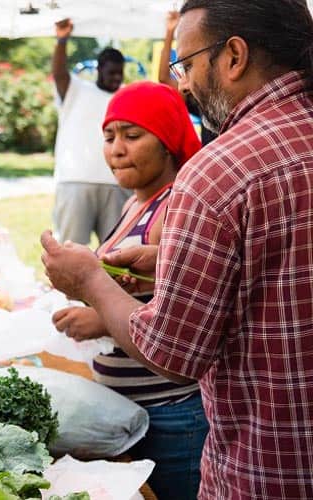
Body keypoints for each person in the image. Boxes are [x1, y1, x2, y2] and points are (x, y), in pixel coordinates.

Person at [41, 1, 313, 498]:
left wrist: (90, 283)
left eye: (186, 65)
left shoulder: (220, 171)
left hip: (266, 471)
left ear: (233, 56)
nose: (183, 84)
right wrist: (162, 264)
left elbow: (174, 352)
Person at [52, 81, 205, 500]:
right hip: (137, 413)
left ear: (169, 139)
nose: (117, 148)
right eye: (109, 136)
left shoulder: (173, 206)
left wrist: (100, 318)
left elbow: (184, 311)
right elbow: (137, 292)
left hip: (172, 416)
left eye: (132, 135)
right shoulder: (132, 203)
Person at [50, 18, 130, 246]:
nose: (117, 78)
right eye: (112, 72)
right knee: (70, 251)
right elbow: (58, 73)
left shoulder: (126, 95)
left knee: (116, 254)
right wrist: (62, 40)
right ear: (99, 69)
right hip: (75, 182)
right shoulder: (76, 89)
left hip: (117, 184)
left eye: (120, 73)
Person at [157, 10, 218, 145]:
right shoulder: (203, 101)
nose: (183, 86)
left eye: (189, 66)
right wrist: (170, 32)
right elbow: (164, 78)